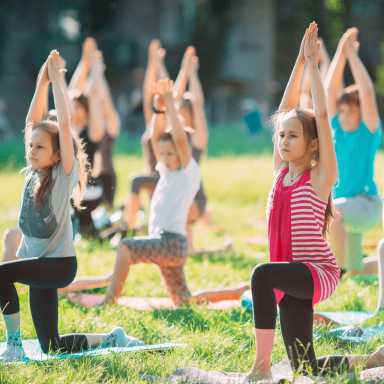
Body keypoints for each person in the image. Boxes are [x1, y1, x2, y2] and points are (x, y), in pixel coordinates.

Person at [0, 51, 139, 362]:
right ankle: (112, 337)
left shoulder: (63, 176)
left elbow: (63, 123)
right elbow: (32, 121)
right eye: (31, 146)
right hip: (41, 264)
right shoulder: (34, 170)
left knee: (0, 275)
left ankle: (14, 345)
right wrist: (42, 79)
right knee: (52, 345)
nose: (32, 151)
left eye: (40, 147)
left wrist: (59, 82)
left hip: (58, 264)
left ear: (57, 154)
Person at [60, 78, 247, 304]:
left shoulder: (188, 172)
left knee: (126, 247)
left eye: (171, 154)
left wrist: (169, 101)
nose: (165, 158)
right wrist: (159, 109)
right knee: (183, 300)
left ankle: (110, 299)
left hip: (170, 243)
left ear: (183, 152)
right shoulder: (167, 171)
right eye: (164, 154)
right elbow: (156, 136)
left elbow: (179, 138)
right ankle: (235, 292)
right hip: (170, 246)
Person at [245, 23, 341, 381]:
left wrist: (314, 68)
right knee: (306, 368)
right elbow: (285, 108)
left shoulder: (319, 177)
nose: (283, 141)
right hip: (290, 273)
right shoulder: (279, 172)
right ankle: (371, 361)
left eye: (293, 135)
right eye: (280, 135)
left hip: (317, 272)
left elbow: (324, 119)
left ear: (312, 144)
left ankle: (261, 367)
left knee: (261, 275)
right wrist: (299, 63)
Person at [325, 28, 382, 275]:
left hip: (366, 205)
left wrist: (353, 57)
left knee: (332, 211)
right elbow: (330, 90)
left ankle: (335, 273)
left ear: (362, 113)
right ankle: (354, 269)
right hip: (348, 211)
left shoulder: (368, 132)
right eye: (343, 110)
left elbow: (367, 93)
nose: (345, 115)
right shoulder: (337, 128)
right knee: (357, 268)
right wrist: (340, 53)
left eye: (351, 111)